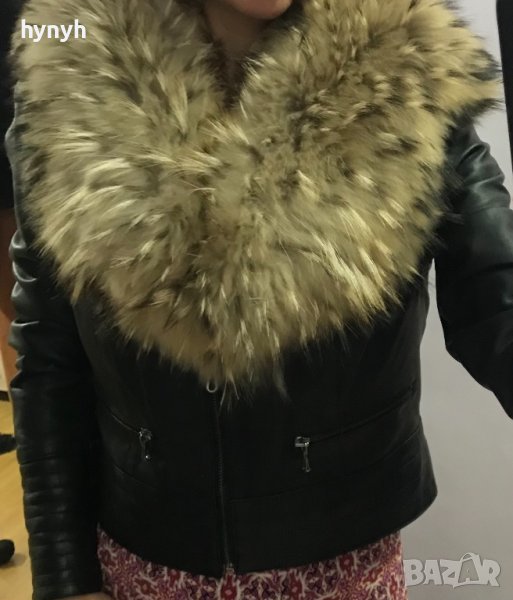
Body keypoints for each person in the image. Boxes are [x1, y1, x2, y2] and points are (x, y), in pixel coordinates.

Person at [4, 0, 513, 599]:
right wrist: (64, 576)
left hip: (343, 570)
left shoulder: (409, 68)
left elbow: (496, 294)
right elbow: (49, 360)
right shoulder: (70, 71)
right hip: (143, 565)